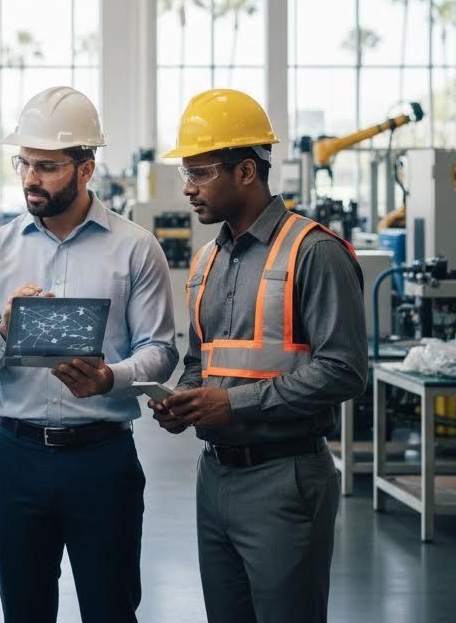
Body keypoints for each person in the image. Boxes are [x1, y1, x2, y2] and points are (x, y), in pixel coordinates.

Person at [0, 86, 178, 623]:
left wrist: (110, 378)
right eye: (24, 163)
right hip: (15, 459)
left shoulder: (134, 247)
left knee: (110, 607)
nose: (31, 178)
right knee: (25, 611)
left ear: (86, 167)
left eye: (48, 166)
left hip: (102, 462)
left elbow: (161, 350)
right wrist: (4, 330)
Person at [150, 88, 367, 623]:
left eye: (199, 173)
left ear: (246, 171)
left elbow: (344, 371)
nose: (187, 188)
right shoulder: (207, 261)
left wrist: (235, 405)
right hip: (215, 477)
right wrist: (181, 401)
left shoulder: (314, 252)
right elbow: (202, 363)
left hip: (285, 477)